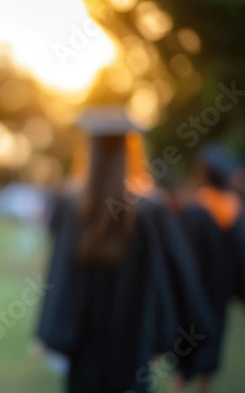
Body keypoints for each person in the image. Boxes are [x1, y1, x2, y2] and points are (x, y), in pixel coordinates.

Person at [35, 107, 217, 393]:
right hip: (136, 346)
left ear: (90, 153)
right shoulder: (150, 210)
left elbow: (60, 279)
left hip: (85, 352)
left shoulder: (74, 207)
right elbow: (179, 279)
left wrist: (51, 334)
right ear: (132, 151)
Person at [172, 143, 245, 393]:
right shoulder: (234, 211)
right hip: (219, 294)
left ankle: (180, 387)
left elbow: (182, 254)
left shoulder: (194, 210)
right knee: (211, 346)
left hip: (193, 292)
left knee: (185, 350)